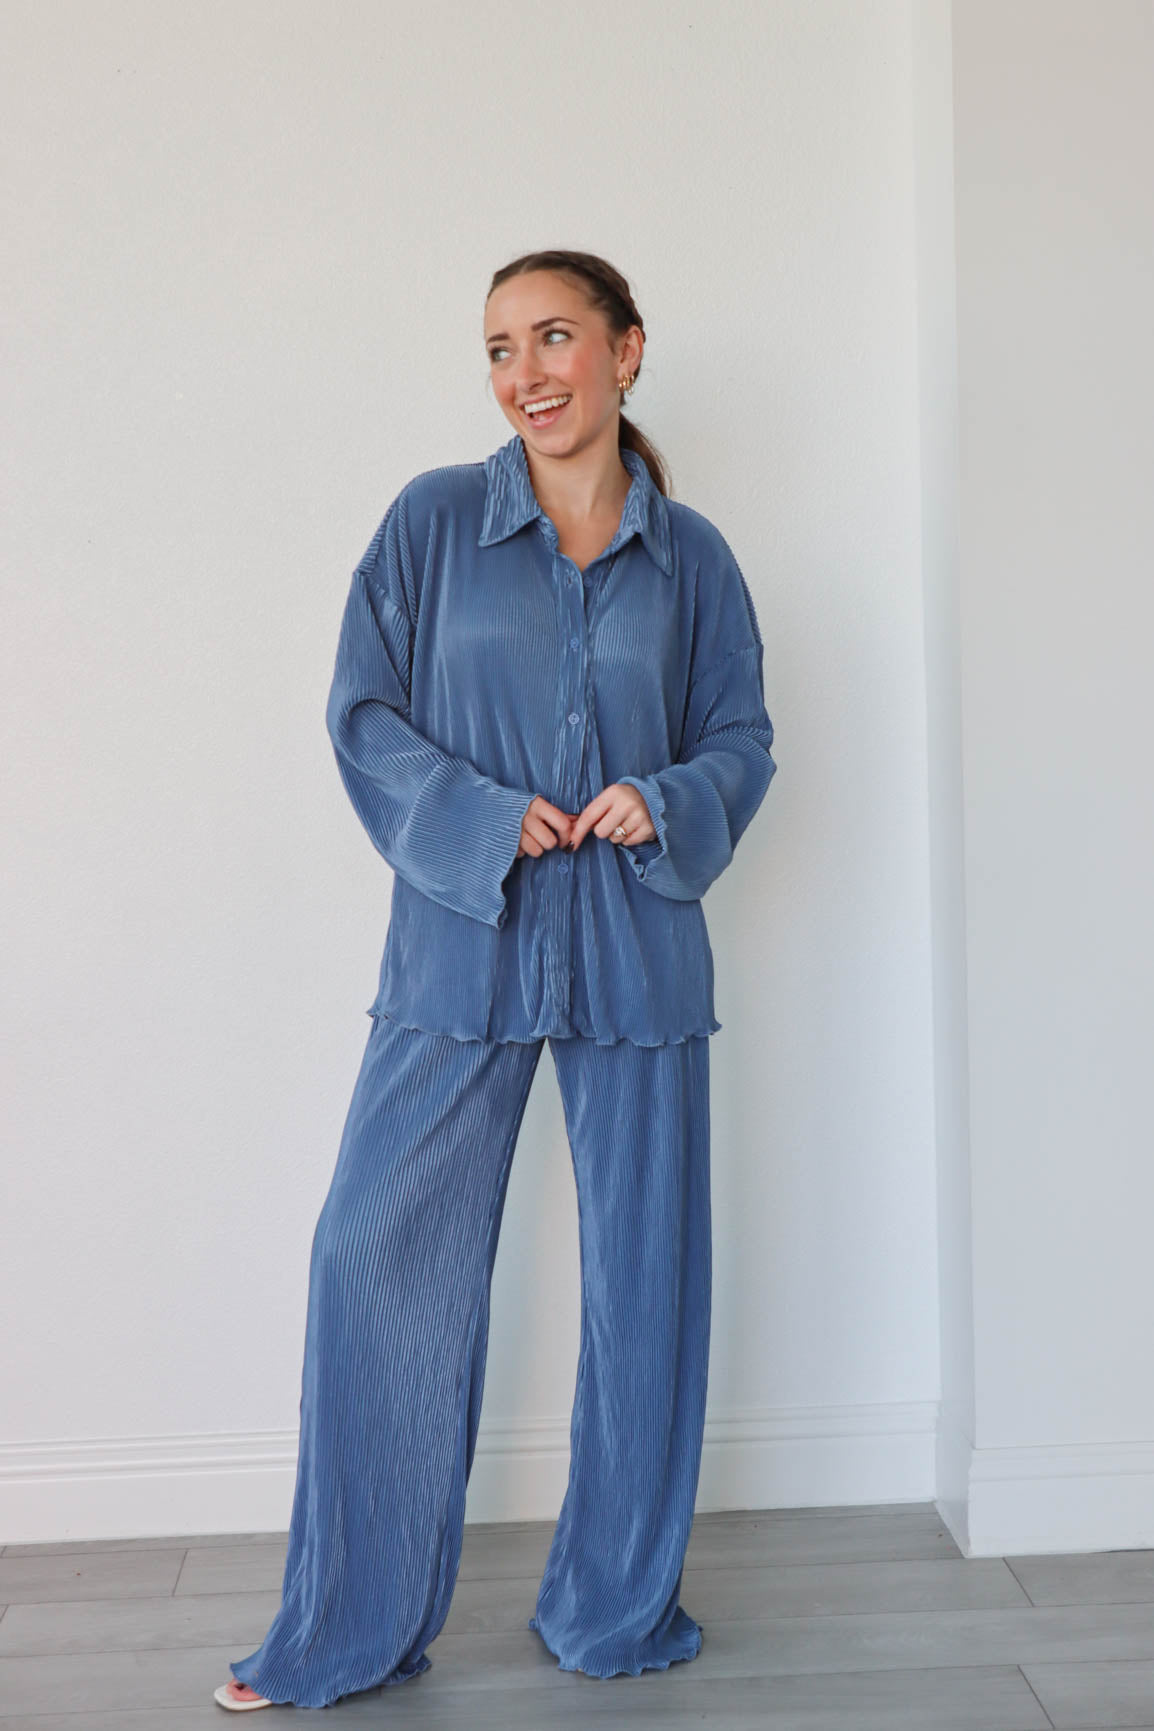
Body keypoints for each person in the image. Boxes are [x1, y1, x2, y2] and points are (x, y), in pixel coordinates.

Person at [214, 249, 777, 1711]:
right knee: (371, 1258)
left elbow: (741, 736)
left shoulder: (696, 557)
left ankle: (613, 1609)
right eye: (496, 349)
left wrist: (670, 796)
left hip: (639, 945)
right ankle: (347, 1626)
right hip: (462, 941)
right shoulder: (429, 527)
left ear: (625, 352)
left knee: (642, 1284)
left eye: (553, 339)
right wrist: (472, 814)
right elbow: (361, 713)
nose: (524, 373)